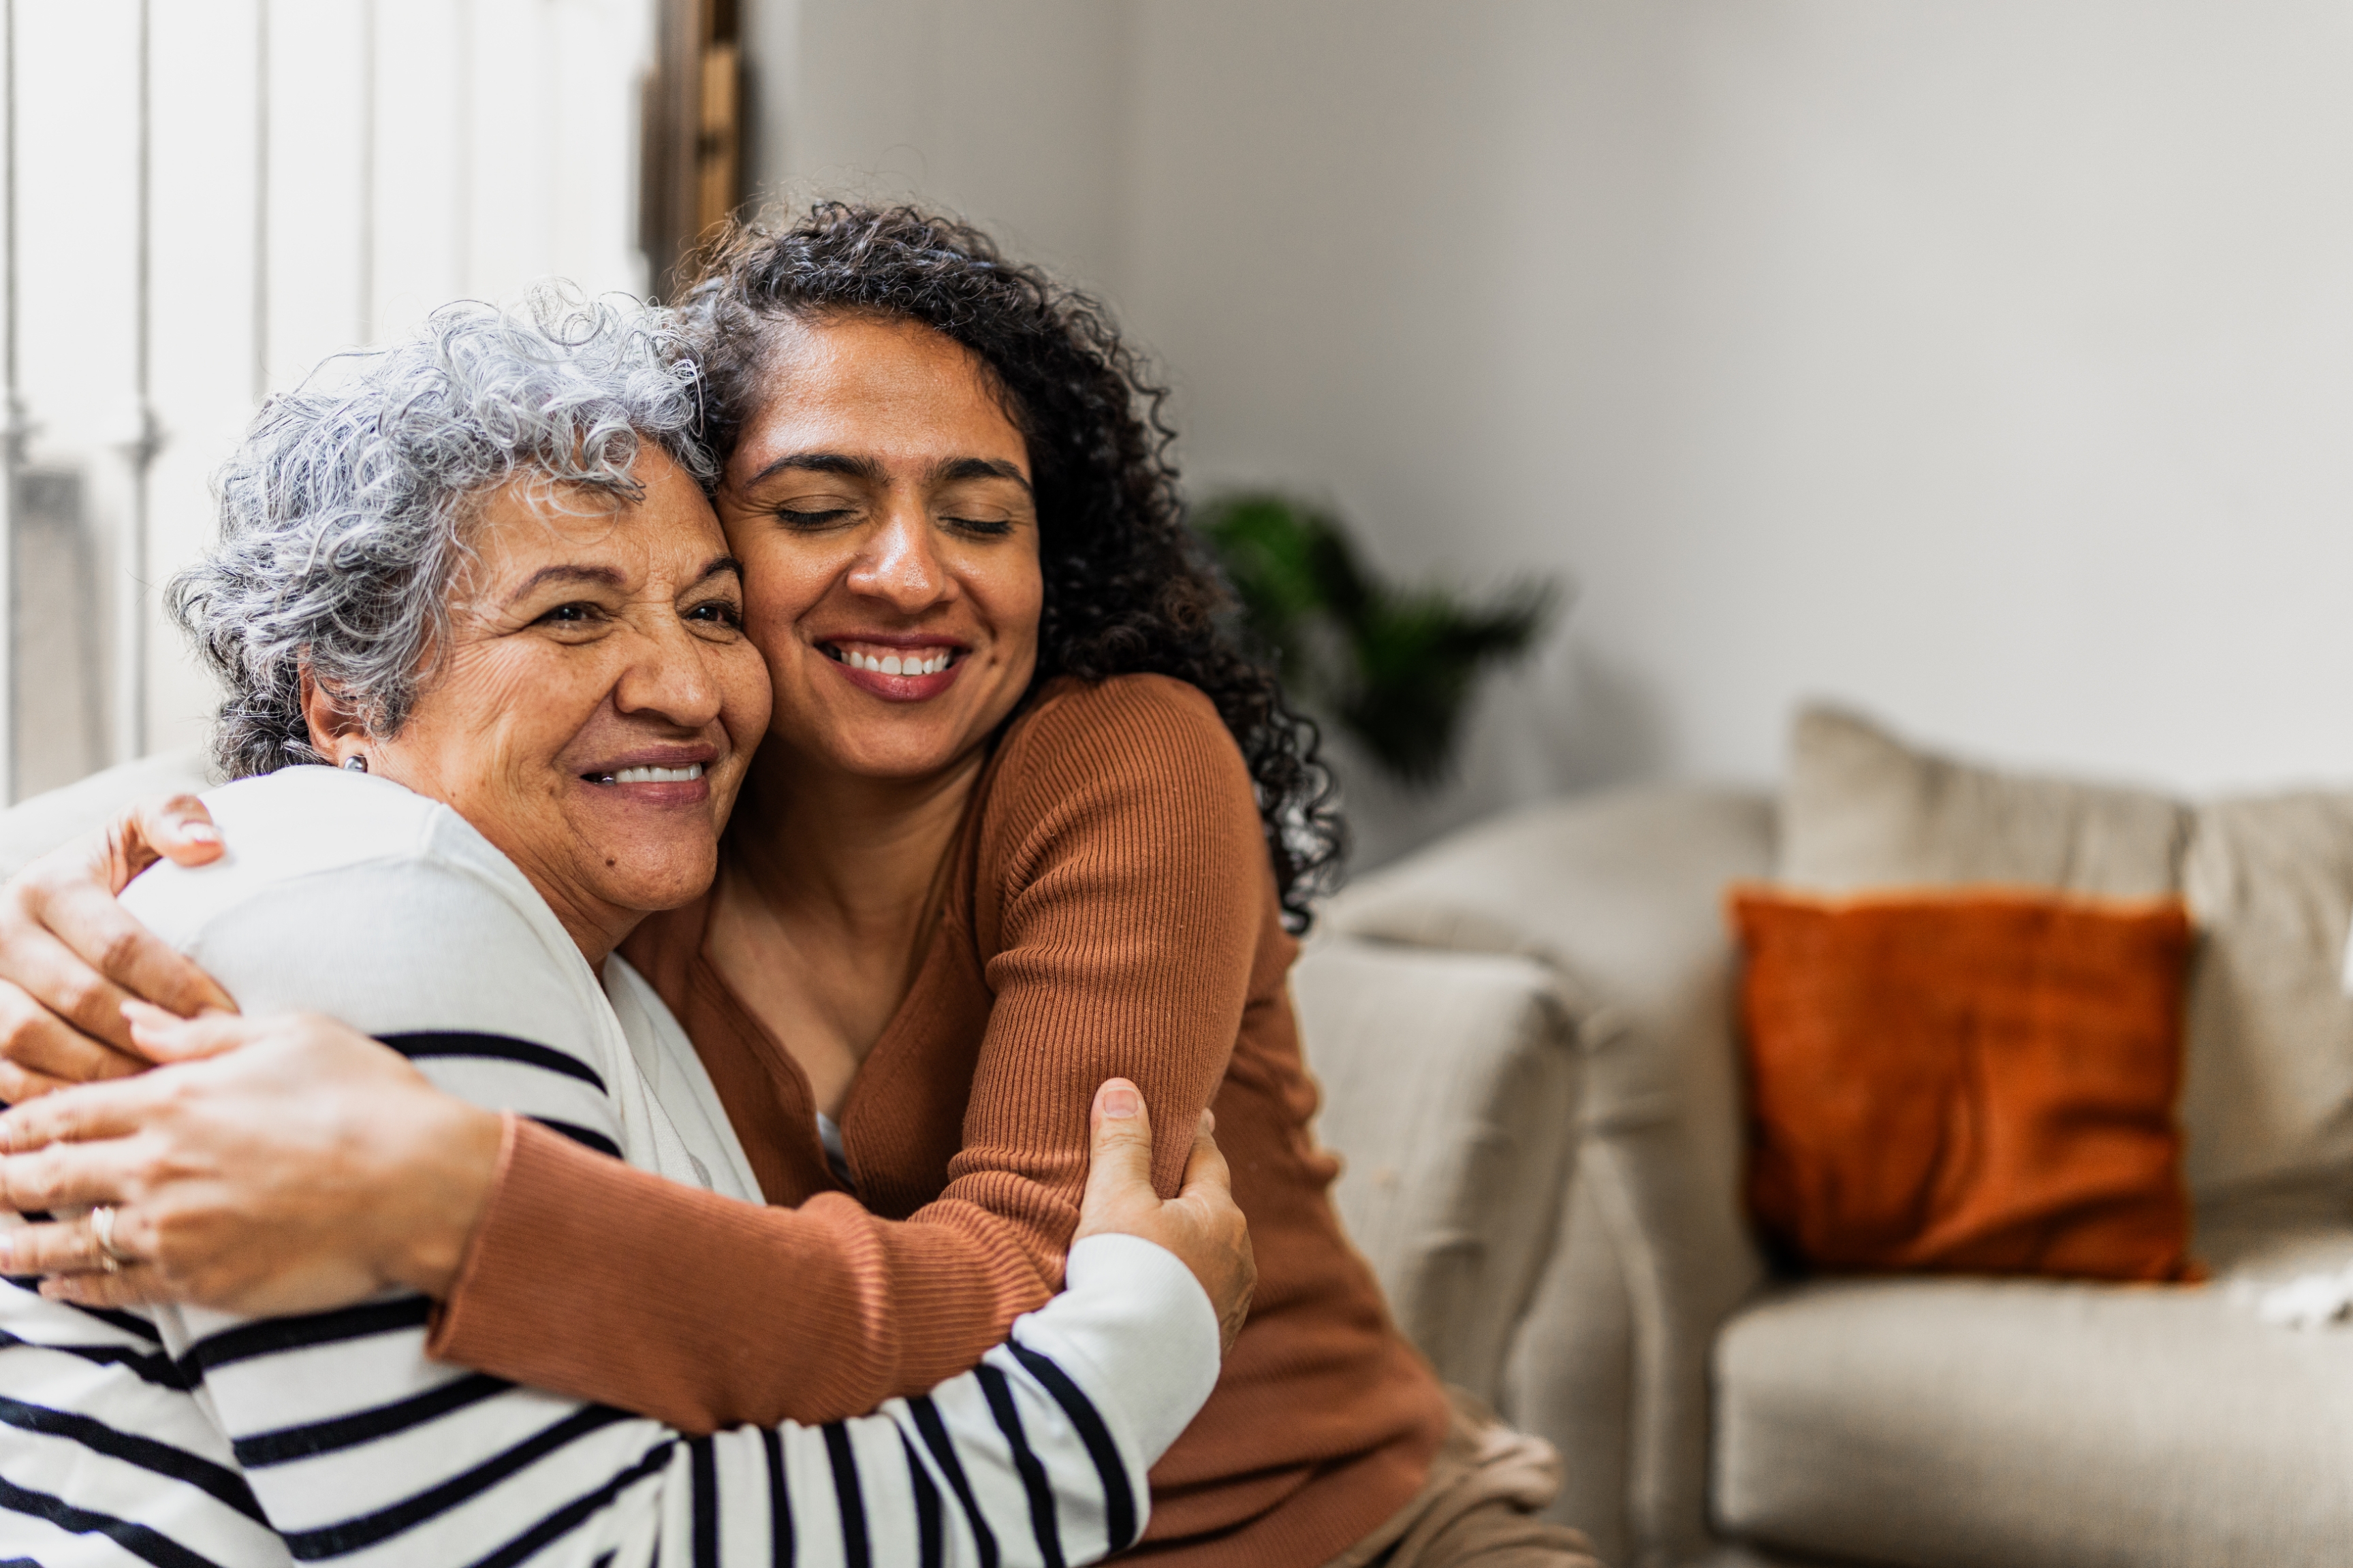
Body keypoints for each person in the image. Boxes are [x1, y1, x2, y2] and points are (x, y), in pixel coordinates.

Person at [0, 206, 1597, 1568]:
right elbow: (352, 780)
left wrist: (455, 1202)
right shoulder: (640, 853)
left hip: (1340, 1532)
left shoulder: (1122, 763)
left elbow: (1040, 1299)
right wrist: (67, 895)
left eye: (983, 517)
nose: (911, 571)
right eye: (819, 509)